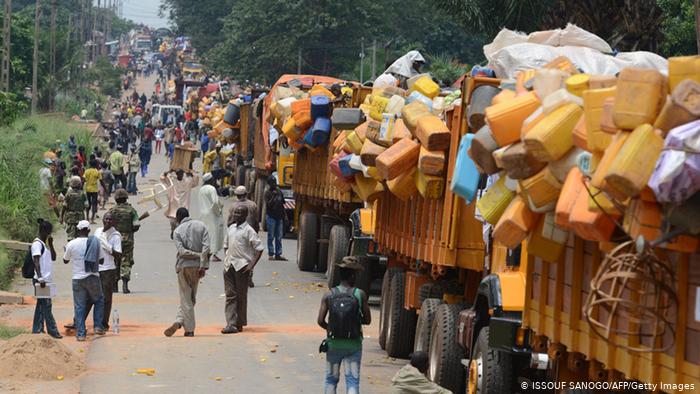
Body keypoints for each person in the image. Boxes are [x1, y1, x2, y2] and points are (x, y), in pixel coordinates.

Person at [316, 257, 371, 394]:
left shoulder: (329, 295)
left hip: (333, 344)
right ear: (353, 275)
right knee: (352, 380)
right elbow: (368, 320)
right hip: (354, 345)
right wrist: (355, 321)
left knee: (330, 379)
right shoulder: (360, 294)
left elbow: (320, 321)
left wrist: (332, 328)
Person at [164, 208, 210, 338]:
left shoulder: (177, 231)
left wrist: (196, 255)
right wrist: (202, 262)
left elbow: (182, 251)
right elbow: (207, 247)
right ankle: (179, 321)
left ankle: (188, 329)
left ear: (178, 218)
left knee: (186, 299)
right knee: (191, 298)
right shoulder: (201, 226)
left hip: (184, 266)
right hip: (197, 267)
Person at [221, 206, 263, 334]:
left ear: (245, 216)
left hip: (242, 267)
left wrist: (251, 265)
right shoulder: (231, 228)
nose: (236, 215)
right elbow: (226, 246)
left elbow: (259, 248)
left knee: (241, 296)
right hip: (229, 266)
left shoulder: (248, 230)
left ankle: (239, 322)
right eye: (235, 212)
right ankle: (231, 323)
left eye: (239, 213)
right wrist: (227, 258)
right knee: (230, 295)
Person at [63, 220, 106, 341]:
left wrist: (66, 250)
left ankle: (81, 334)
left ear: (78, 230)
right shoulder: (95, 242)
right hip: (92, 276)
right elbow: (102, 260)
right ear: (88, 230)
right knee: (99, 300)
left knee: (79, 306)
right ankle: (98, 326)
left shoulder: (72, 243)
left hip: (78, 278)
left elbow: (65, 260)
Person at [31, 219, 61, 338]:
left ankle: (37, 329)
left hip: (46, 280)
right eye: (48, 232)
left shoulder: (44, 244)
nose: (49, 235)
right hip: (41, 280)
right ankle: (52, 331)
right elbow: (36, 261)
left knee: (42, 305)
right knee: (46, 305)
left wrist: (51, 244)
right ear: (44, 231)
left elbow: (53, 258)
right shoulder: (37, 244)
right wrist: (40, 278)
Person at [108, 188, 140, 294]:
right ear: (126, 199)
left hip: (114, 240)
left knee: (115, 261)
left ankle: (114, 285)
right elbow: (136, 225)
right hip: (128, 239)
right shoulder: (131, 211)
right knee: (126, 261)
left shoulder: (112, 211)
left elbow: (107, 226)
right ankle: (125, 285)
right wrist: (130, 230)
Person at [161, 169, 199, 238]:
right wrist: (168, 171)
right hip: (174, 205)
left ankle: (180, 234)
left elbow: (196, 182)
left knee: (183, 222)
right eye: (178, 173)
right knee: (173, 221)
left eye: (181, 173)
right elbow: (163, 178)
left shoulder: (187, 182)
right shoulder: (172, 182)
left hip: (184, 206)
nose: (180, 175)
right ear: (176, 174)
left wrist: (192, 173)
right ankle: (173, 230)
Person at [198, 173, 224, 261]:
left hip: (203, 214)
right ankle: (214, 254)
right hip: (212, 214)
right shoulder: (212, 189)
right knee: (214, 234)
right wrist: (218, 212)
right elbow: (215, 202)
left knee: (206, 233)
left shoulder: (201, 189)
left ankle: (205, 251)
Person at [264, 176, 287, 261]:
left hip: (279, 217)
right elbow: (268, 205)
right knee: (271, 236)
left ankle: (278, 254)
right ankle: (271, 254)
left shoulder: (279, 191)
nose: (274, 184)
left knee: (279, 236)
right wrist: (273, 197)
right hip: (271, 217)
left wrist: (285, 216)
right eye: (272, 183)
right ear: (269, 184)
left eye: (275, 182)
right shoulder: (267, 193)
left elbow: (282, 203)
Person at [61, 176, 88, 241]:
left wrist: (61, 216)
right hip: (80, 216)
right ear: (79, 184)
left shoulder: (68, 194)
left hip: (70, 216)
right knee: (79, 234)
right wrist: (87, 218)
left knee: (70, 234)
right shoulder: (83, 194)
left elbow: (64, 206)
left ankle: (70, 247)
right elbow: (86, 206)